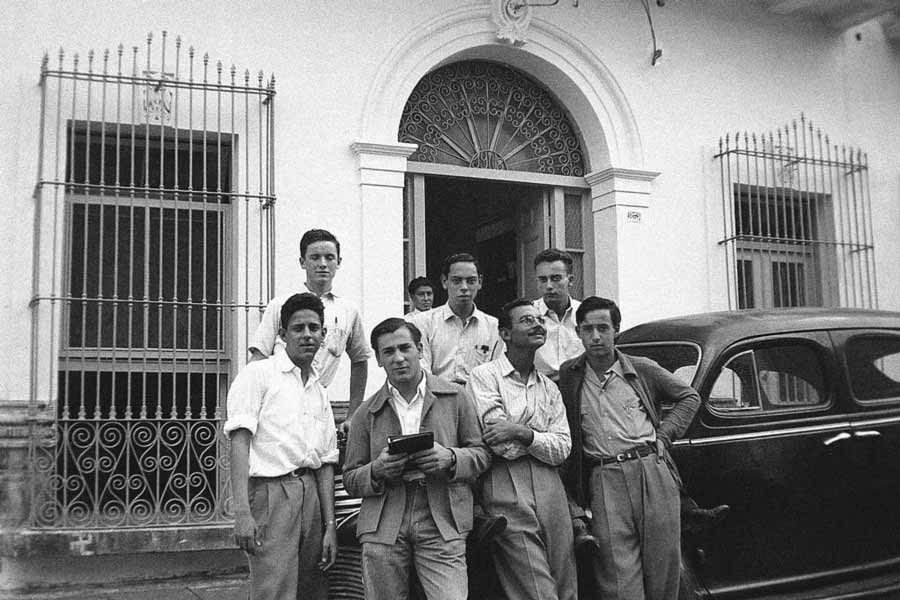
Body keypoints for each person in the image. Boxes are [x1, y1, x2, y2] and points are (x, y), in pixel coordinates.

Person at [559, 296, 700, 600]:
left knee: (663, 568)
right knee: (617, 576)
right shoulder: (569, 375)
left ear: (616, 331)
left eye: (602, 328)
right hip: (603, 477)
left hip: (650, 470)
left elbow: (689, 398)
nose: (595, 336)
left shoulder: (641, 368)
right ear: (578, 332)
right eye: (587, 329)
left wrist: (665, 435)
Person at [343, 318, 491, 600]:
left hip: (441, 514)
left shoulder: (455, 397)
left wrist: (449, 458)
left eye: (404, 348)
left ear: (420, 349)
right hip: (384, 519)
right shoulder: (366, 412)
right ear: (378, 359)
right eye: (388, 352)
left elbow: (482, 454)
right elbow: (350, 477)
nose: (398, 358)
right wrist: (378, 469)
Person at [225, 292, 339, 600]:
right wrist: (242, 513)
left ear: (323, 335)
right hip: (270, 494)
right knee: (273, 590)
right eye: (298, 328)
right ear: (281, 333)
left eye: (313, 328)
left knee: (312, 589)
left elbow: (326, 461)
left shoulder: (319, 390)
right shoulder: (258, 375)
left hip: (311, 494)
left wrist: (330, 526)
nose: (307, 335)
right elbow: (239, 442)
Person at [468, 299, 578, 600]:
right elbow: (499, 442)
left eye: (539, 320)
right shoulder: (484, 376)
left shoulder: (549, 387)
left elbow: (563, 448)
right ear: (505, 333)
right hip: (505, 480)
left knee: (565, 577)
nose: (537, 325)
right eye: (526, 320)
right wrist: (539, 437)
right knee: (533, 583)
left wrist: (521, 431)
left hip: (550, 483)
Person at [249, 229, 371, 430]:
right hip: (277, 403)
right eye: (315, 257)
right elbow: (258, 358)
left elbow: (360, 360)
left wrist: (353, 415)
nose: (322, 264)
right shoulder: (280, 305)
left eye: (329, 257)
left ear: (338, 262)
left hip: (318, 403)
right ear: (302, 262)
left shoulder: (349, 310)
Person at [409, 253, 503, 385]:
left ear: (480, 282)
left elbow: (497, 374)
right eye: (456, 281)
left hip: (479, 400)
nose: (464, 287)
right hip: (437, 398)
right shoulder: (422, 323)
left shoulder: (493, 326)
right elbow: (422, 373)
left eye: (471, 281)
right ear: (444, 282)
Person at [532, 248, 583, 382]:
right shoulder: (527, 316)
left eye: (555, 279)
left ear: (570, 280)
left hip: (581, 389)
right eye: (543, 280)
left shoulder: (584, 314)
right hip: (539, 391)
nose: (549, 286)